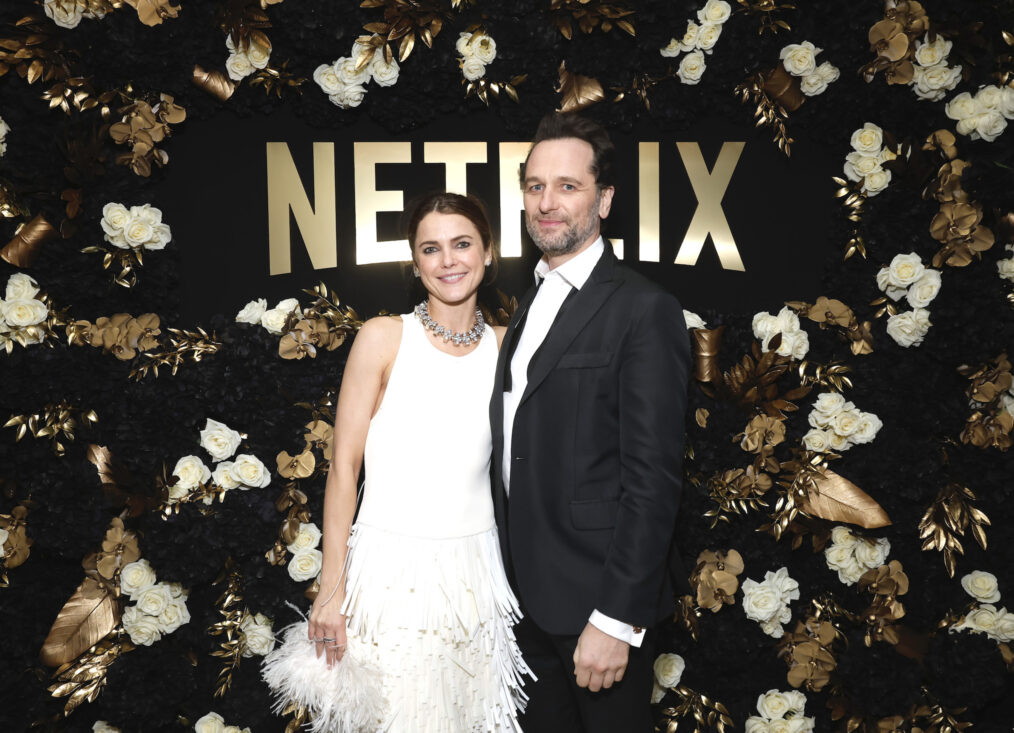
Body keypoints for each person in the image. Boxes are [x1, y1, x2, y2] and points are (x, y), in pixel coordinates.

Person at [490, 113, 690, 732]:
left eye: (568, 186)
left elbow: (654, 480)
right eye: (534, 186)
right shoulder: (530, 302)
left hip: (595, 612)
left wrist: (615, 619)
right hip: (524, 606)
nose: (547, 203)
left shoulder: (643, 308)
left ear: (604, 199)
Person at [307, 192, 531, 732]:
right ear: (414, 263)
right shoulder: (383, 337)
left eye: (462, 244)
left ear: (488, 253)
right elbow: (343, 470)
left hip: (477, 576)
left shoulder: (509, 350)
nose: (448, 260)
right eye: (431, 249)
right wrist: (330, 588)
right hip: (389, 575)